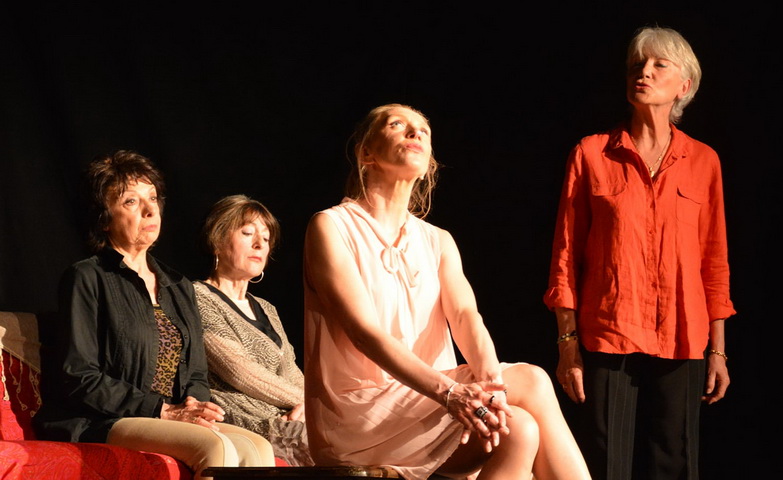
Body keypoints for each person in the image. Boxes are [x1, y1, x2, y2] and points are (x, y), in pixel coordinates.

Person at [303, 103, 591, 480]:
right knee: (533, 380)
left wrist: (491, 387)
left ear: (429, 165)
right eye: (397, 125)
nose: (415, 133)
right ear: (366, 153)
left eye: (423, 130)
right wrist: (451, 393)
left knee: (518, 429)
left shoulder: (438, 241)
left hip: (426, 403)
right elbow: (364, 333)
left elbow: (466, 317)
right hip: (357, 415)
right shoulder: (331, 227)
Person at [543, 26, 736, 480]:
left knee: (674, 461)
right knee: (603, 463)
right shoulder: (591, 153)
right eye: (636, 65)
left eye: (658, 65)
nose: (643, 72)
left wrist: (719, 350)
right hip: (608, 330)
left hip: (682, 333)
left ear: (684, 86)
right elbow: (566, 255)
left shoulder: (704, 161)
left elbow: (714, 259)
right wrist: (567, 345)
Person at [32, 151, 275, 480]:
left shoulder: (178, 286)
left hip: (168, 415)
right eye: (131, 201)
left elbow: (197, 374)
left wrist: (194, 406)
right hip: (103, 419)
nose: (150, 210)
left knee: (257, 447)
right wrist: (162, 410)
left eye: (153, 198)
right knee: (216, 449)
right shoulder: (87, 278)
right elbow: (79, 376)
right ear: (104, 219)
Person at [193, 194, 311, 466]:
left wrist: (313, 405)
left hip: (290, 413)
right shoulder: (198, 297)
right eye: (247, 234)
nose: (260, 244)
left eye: (266, 239)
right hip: (243, 417)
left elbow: (290, 369)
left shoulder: (267, 308)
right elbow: (238, 370)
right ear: (217, 240)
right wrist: (315, 406)